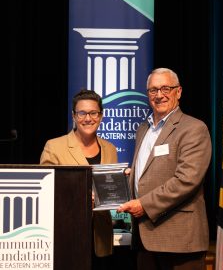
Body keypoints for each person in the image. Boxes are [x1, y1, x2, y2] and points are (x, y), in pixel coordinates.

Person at [117, 68, 212, 270]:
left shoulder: (193, 128)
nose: (159, 95)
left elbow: (186, 180)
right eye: (153, 90)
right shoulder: (144, 128)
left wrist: (144, 204)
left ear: (178, 92)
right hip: (145, 238)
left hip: (179, 240)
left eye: (165, 88)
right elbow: (147, 173)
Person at [40, 89, 118, 270]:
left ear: (101, 116)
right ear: (74, 116)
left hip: (100, 236)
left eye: (93, 113)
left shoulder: (110, 149)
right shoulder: (54, 146)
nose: (88, 118)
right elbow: (45, 190)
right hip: (66, 234)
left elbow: (110, 187)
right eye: (82, 113)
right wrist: (80, 198)